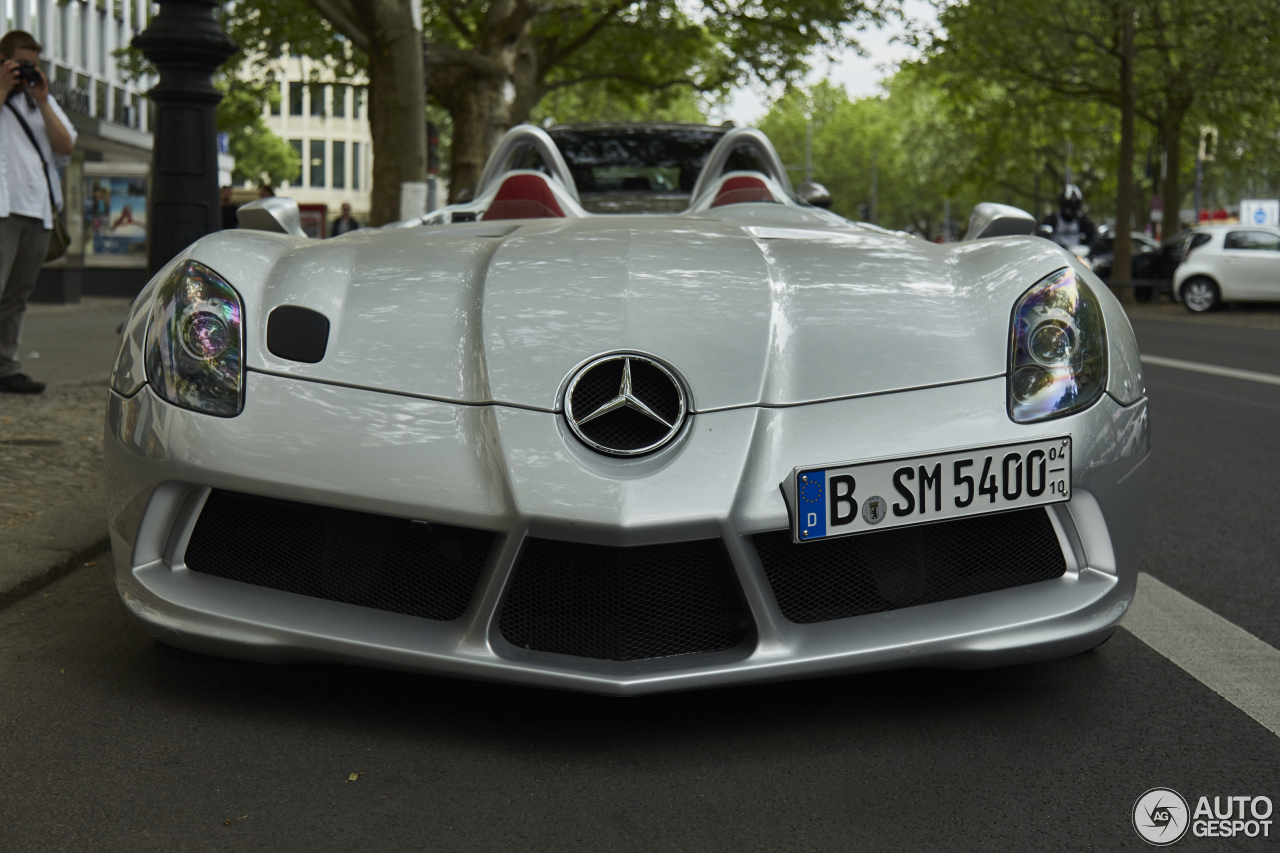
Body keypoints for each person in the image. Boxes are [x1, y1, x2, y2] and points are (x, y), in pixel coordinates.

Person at [0, 30, 75, 394]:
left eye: (34, 63)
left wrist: (43, 100)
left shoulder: (38, 99)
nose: (29, 70)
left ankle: (6, 366)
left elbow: (65, 146)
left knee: (17, 294)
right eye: (22, 62)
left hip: (39, 210)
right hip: (3, 207)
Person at [1040, 184, 1097, 250]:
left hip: (1077, 256)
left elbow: (1093, 236)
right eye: (1069, 204)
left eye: (1075, 204)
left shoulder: (1082, 220)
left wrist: (1090, 247)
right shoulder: (1052, 219)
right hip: (1057, 254)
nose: (1072, 207)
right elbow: (1043, 235)